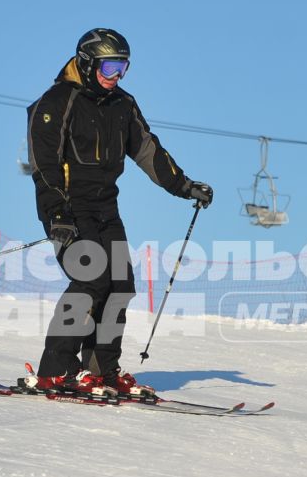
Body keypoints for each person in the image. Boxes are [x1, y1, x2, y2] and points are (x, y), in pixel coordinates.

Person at [20, 28, 212, 400]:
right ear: (88, 62)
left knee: (120, 285)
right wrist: (56, 213)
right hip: (68, 208)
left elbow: (147, 151)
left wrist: (184, 185)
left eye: (123, 67)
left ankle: (101, 371)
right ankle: (56, 370)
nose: (117, 75)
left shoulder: (122, 104)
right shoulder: (57, 101)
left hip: (106, 208)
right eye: (110, 66)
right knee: (91, 279)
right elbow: (43, 164)